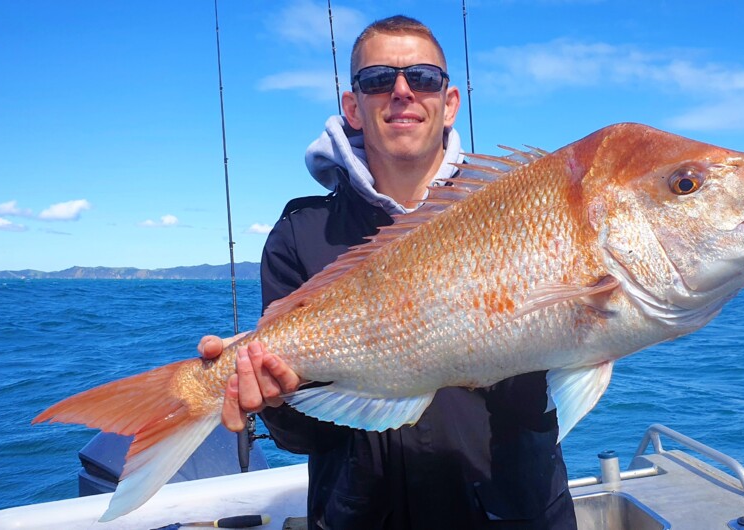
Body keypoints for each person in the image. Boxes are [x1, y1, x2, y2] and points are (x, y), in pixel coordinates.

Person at [199, 15, 577, 530]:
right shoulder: (300, 235)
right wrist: (275, 398)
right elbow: (303, 438)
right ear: (353, 107)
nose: (402, 91)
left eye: (423, 77)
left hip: (515, 514)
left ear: (450, 103)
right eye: (378, 79)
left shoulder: (522, 211)